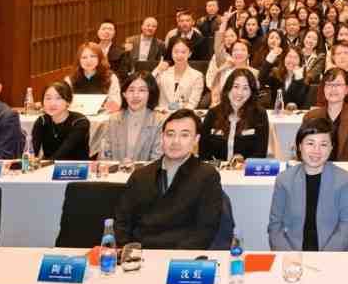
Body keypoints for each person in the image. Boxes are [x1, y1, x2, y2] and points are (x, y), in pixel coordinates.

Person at [114, 110, 229, 250]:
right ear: (162, 137)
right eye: (170, 134)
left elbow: (205, 229)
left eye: (184, 135)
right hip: (140, 254)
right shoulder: (140, 176)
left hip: (182, 255)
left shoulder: (206, 176)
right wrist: (127, 251)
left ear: (196, 140)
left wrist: (175, 257)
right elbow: (122, 222)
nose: (175, 141)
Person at [268, 116, 348, 251]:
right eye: (310, 143)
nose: (316, 150)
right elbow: (275, 226)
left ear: (331, 148)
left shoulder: (344, 180)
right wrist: (291, 257)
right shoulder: (284, 180)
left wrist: (323, 259)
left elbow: (347, 226)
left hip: (335, 255)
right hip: (292, 256)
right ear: (299, 146)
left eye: (323, 144)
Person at [201, 68, 277, 162]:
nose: (239, 93)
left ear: (251, 92)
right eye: (236, 86)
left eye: (245, 88)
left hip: (245, 169)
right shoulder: (213, 113)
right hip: (215, 169)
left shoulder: (259, 114)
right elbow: (203, 152)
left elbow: (260, 153)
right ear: (228, 88)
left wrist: (243, 164)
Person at [303, 66, 348, 161]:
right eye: (329, 85)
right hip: (317, 167)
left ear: (347, 89)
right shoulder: (311, 117)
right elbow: (303, 150)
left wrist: (343, 168)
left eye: (338, 85)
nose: (333, 89)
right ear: (323, 89)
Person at [99, 70, 165, 163]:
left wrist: (134, 168)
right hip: (115, 171)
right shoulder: (113, 119)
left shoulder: (159, 121)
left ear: (150, 94)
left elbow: (157, 159)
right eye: (131, 90)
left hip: (146, 172)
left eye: (142, 90)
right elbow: (104, 156)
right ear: (124, 94)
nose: (135, 95)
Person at [31, 82, 92, 160]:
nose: (52, 103)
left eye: (58, 98)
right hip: (48, 166)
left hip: (76, 166)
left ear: (68, 102)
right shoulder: (42, 121)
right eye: (48, 98)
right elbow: (32, 151)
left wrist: (45, 163)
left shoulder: (79, 122)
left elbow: (63, 153)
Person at [156, 35, 205, 110]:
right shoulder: (163, 72)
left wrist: (174, 108)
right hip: (161, 114)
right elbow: (149, 88)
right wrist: (158, 70)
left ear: (189, 54)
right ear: (171, 53)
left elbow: (192, 104)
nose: (179, 55)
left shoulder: (197, 76)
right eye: (176, 51)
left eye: (183, 52)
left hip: (183, 115)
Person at [69, 41, 122, 110]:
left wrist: (110, 105)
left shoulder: (111, 78)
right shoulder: (71, 79)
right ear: (79, 60)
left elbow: (116, 103)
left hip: (103, 115)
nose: (88, 61)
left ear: (99, 58)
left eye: (93, 56)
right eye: (84, 57)